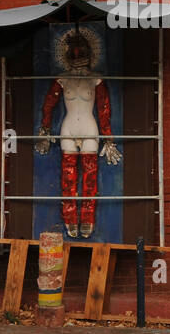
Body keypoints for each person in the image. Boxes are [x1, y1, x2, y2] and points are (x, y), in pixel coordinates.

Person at [36, 29, 121, 239]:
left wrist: (108, 138)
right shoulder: (62, 80)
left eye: (81, 52)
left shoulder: (96, 80)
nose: (78, 56)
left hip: (90, 129)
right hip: (68, 129)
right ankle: (70, 220)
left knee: (90, 178)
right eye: (74, 53)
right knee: (68, 178)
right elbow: (48, 106)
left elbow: (104, 110)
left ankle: (88, 220)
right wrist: (45, 130)